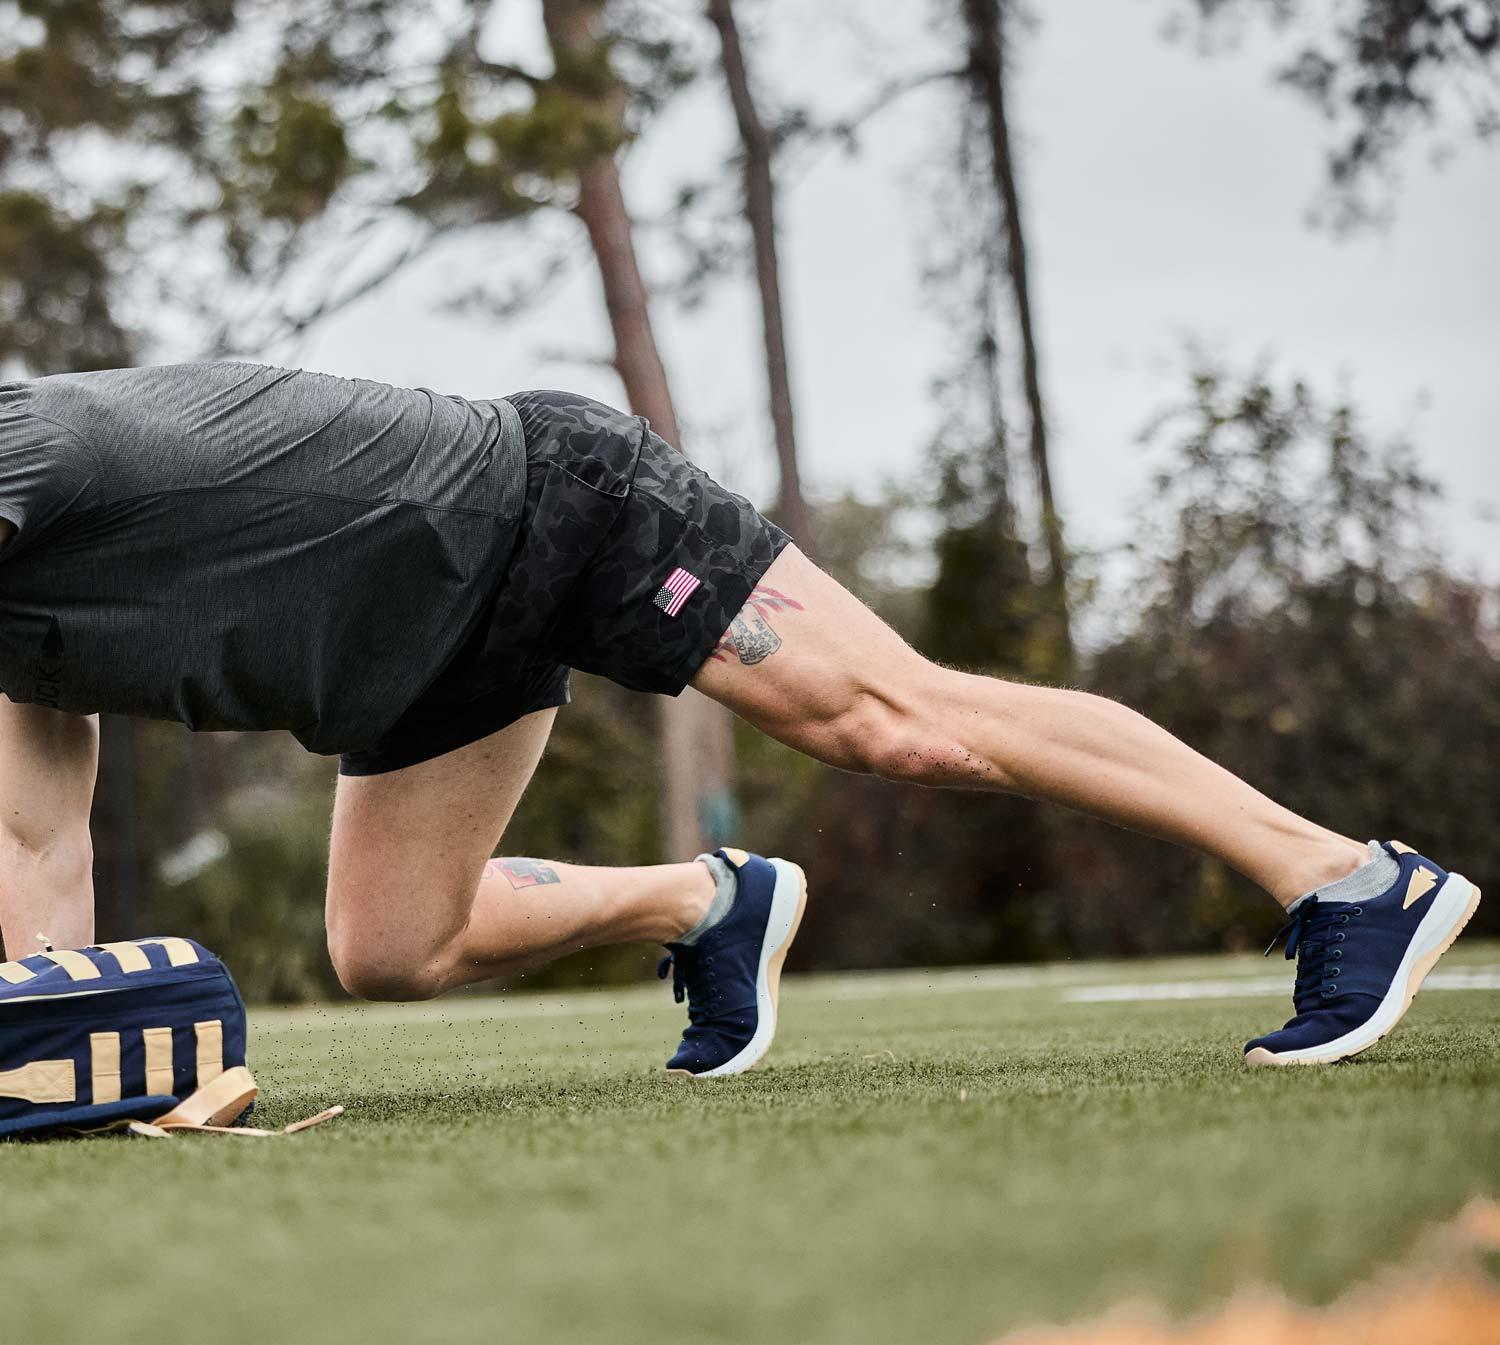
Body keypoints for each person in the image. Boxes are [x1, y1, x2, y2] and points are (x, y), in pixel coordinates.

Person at [0, 363, 1480, 1076]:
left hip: (546, 504)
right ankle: (708, 907)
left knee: (898, 720)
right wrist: (55, 1045)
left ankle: (1349, 877)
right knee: (392, 948)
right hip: (415, 666)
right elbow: (36, 836)